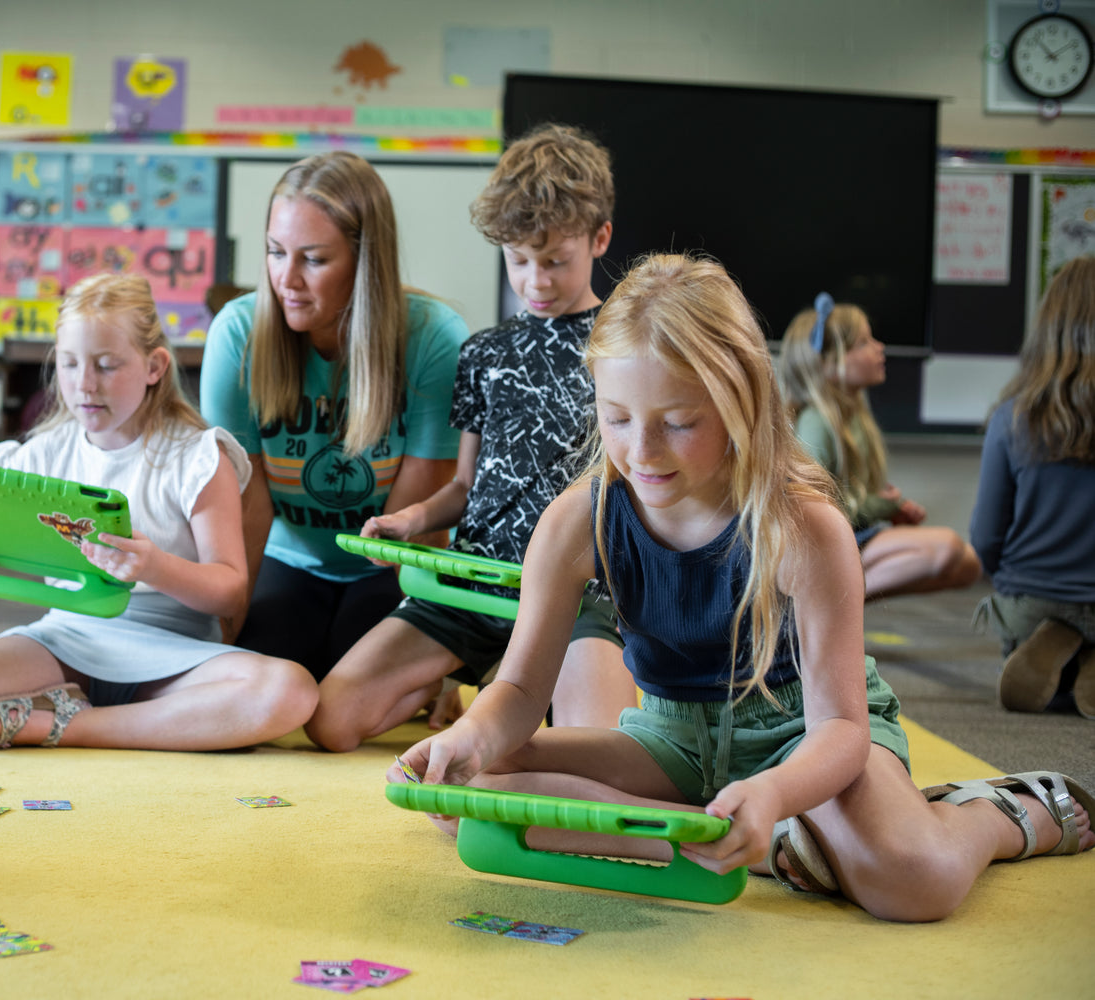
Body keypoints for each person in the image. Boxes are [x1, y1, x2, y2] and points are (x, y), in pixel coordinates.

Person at [395, 254, 1093, 923]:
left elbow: (841, 730)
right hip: (673, 743)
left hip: (803, 736)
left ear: (739, 401)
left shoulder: (805, 527)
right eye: (617, 418)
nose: (642, 451)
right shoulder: (576, 520)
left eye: (678, 423)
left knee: (914, 881)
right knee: (475, 787)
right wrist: (469, 738)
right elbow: (516, 695)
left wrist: (773, 792)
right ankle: (753, 840)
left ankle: (1002, 814)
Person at [0, 274, 317, 750]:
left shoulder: (199, 458)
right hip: (65, 641)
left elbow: (228, 593)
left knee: (289, 692)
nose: (84, 385)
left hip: (172, 653)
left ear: (154, 366)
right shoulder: (40, 456)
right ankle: (116, 715)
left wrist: (153, 566)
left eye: (106, 365)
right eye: (68, 365)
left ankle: (65, 723)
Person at [305, 124, 634, 752]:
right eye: (518, 261)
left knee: (599, 754)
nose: (535, 280)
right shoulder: (484, 352)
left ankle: (512, 695)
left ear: (600, 239)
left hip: (579, 596)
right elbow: (465, 485)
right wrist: (408, 521)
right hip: (473, 583)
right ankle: (483, 682)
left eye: (554, 261)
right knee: (332, 720)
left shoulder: (624, 347)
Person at [200, 151, 470, 680]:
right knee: (255, 674)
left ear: (365, 260)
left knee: (352, 681)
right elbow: (247, 508)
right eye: (276, 253)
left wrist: (437, 646)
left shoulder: (436, 339)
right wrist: (222, 636)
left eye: (314, 260)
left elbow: (415, 527)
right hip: (288, 557)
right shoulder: (237, 335)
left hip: (385, 563)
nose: (287, 279)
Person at [777, 294, 980, 600]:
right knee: (948, 546)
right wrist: (885, 505)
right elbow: (812, 510)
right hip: (824, 546)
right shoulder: (815, 423)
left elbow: (850, 500)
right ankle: (821, 605)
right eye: (864, 343)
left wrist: (887, 506)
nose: (879, 347)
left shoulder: (855, 418)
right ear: (830, 364)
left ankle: (835, 602)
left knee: (969, 565)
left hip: (852, 535)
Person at [969, 256, 1095, 719]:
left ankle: (1056, 644)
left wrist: (1009, 581)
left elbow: (984, 537)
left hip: (1032, 601)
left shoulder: (1013, 418)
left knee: (1032, 633)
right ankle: (1088, 653)